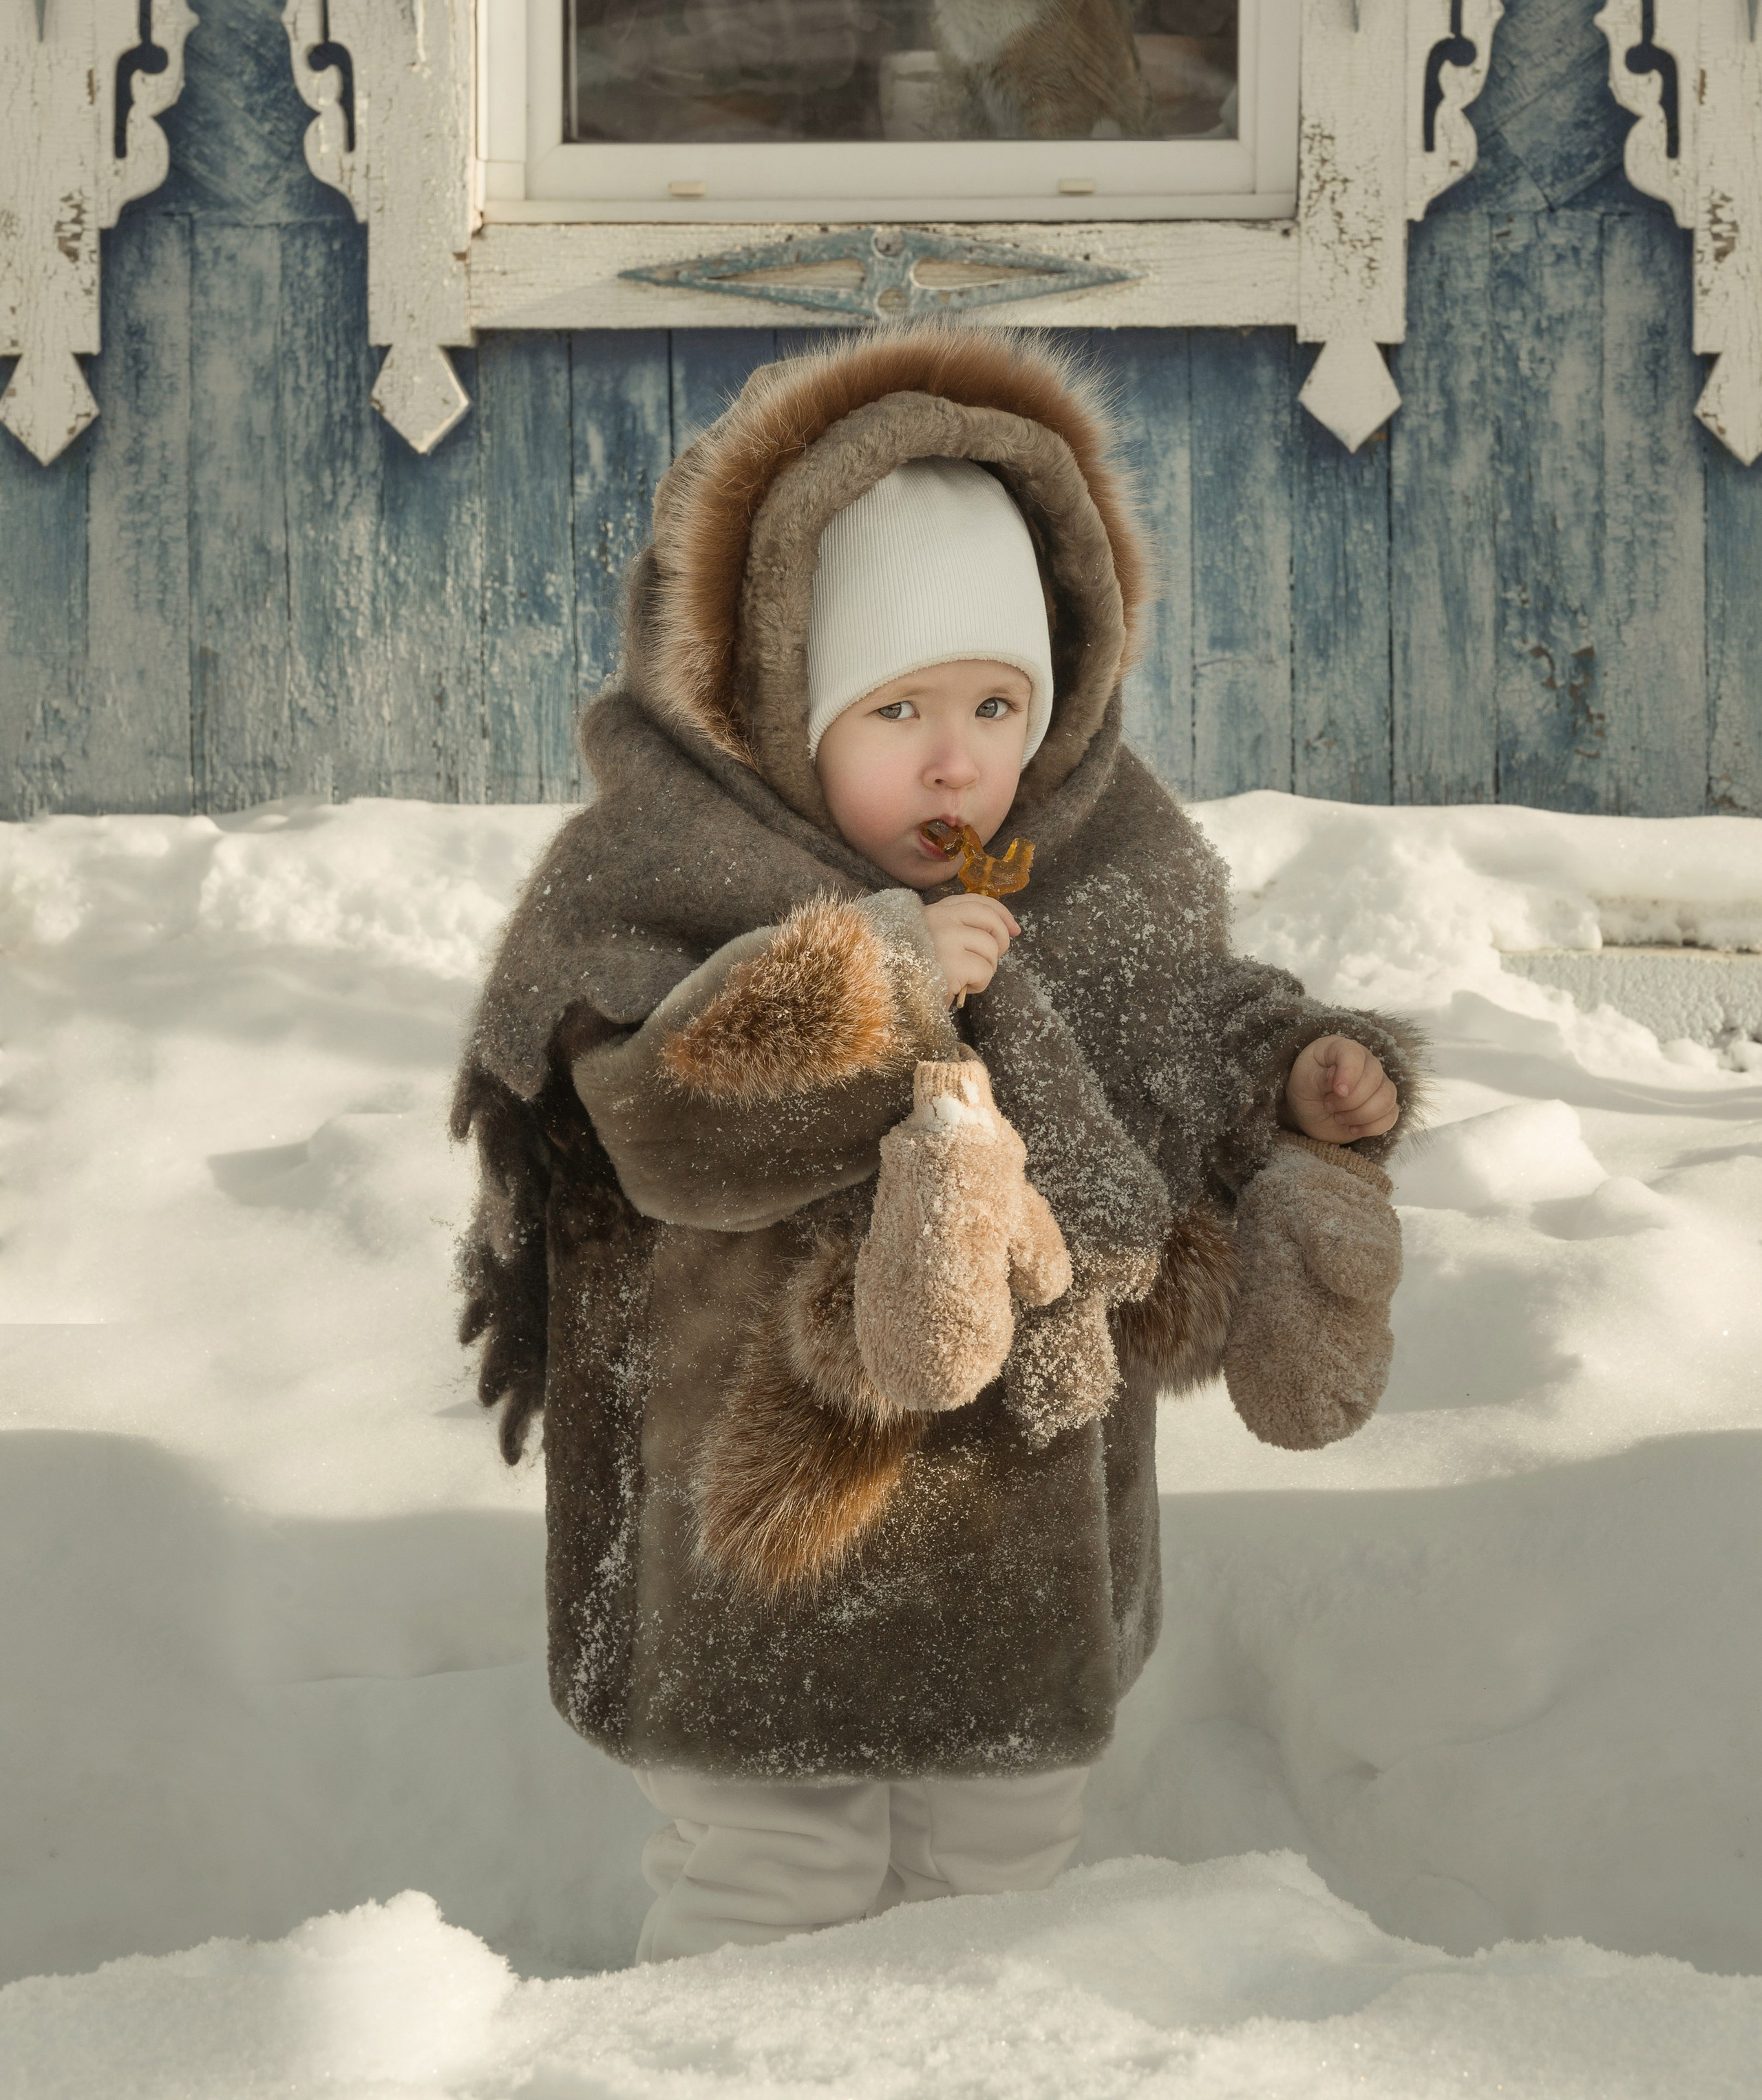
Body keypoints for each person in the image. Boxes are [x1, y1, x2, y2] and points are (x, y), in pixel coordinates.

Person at [454, 326, 1423, 1963]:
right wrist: (871, 981)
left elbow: (1182, 1029)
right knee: (770, 1868)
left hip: (1015, 1525)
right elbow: (664, 1132)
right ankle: (726, 2076)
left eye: (995, 700)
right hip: (757, 1527)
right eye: (894, 706)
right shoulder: (666, 879)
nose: (958, 754)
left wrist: (1302, 1079)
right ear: (776, 698)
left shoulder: (1097, 859)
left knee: (996, 1872)